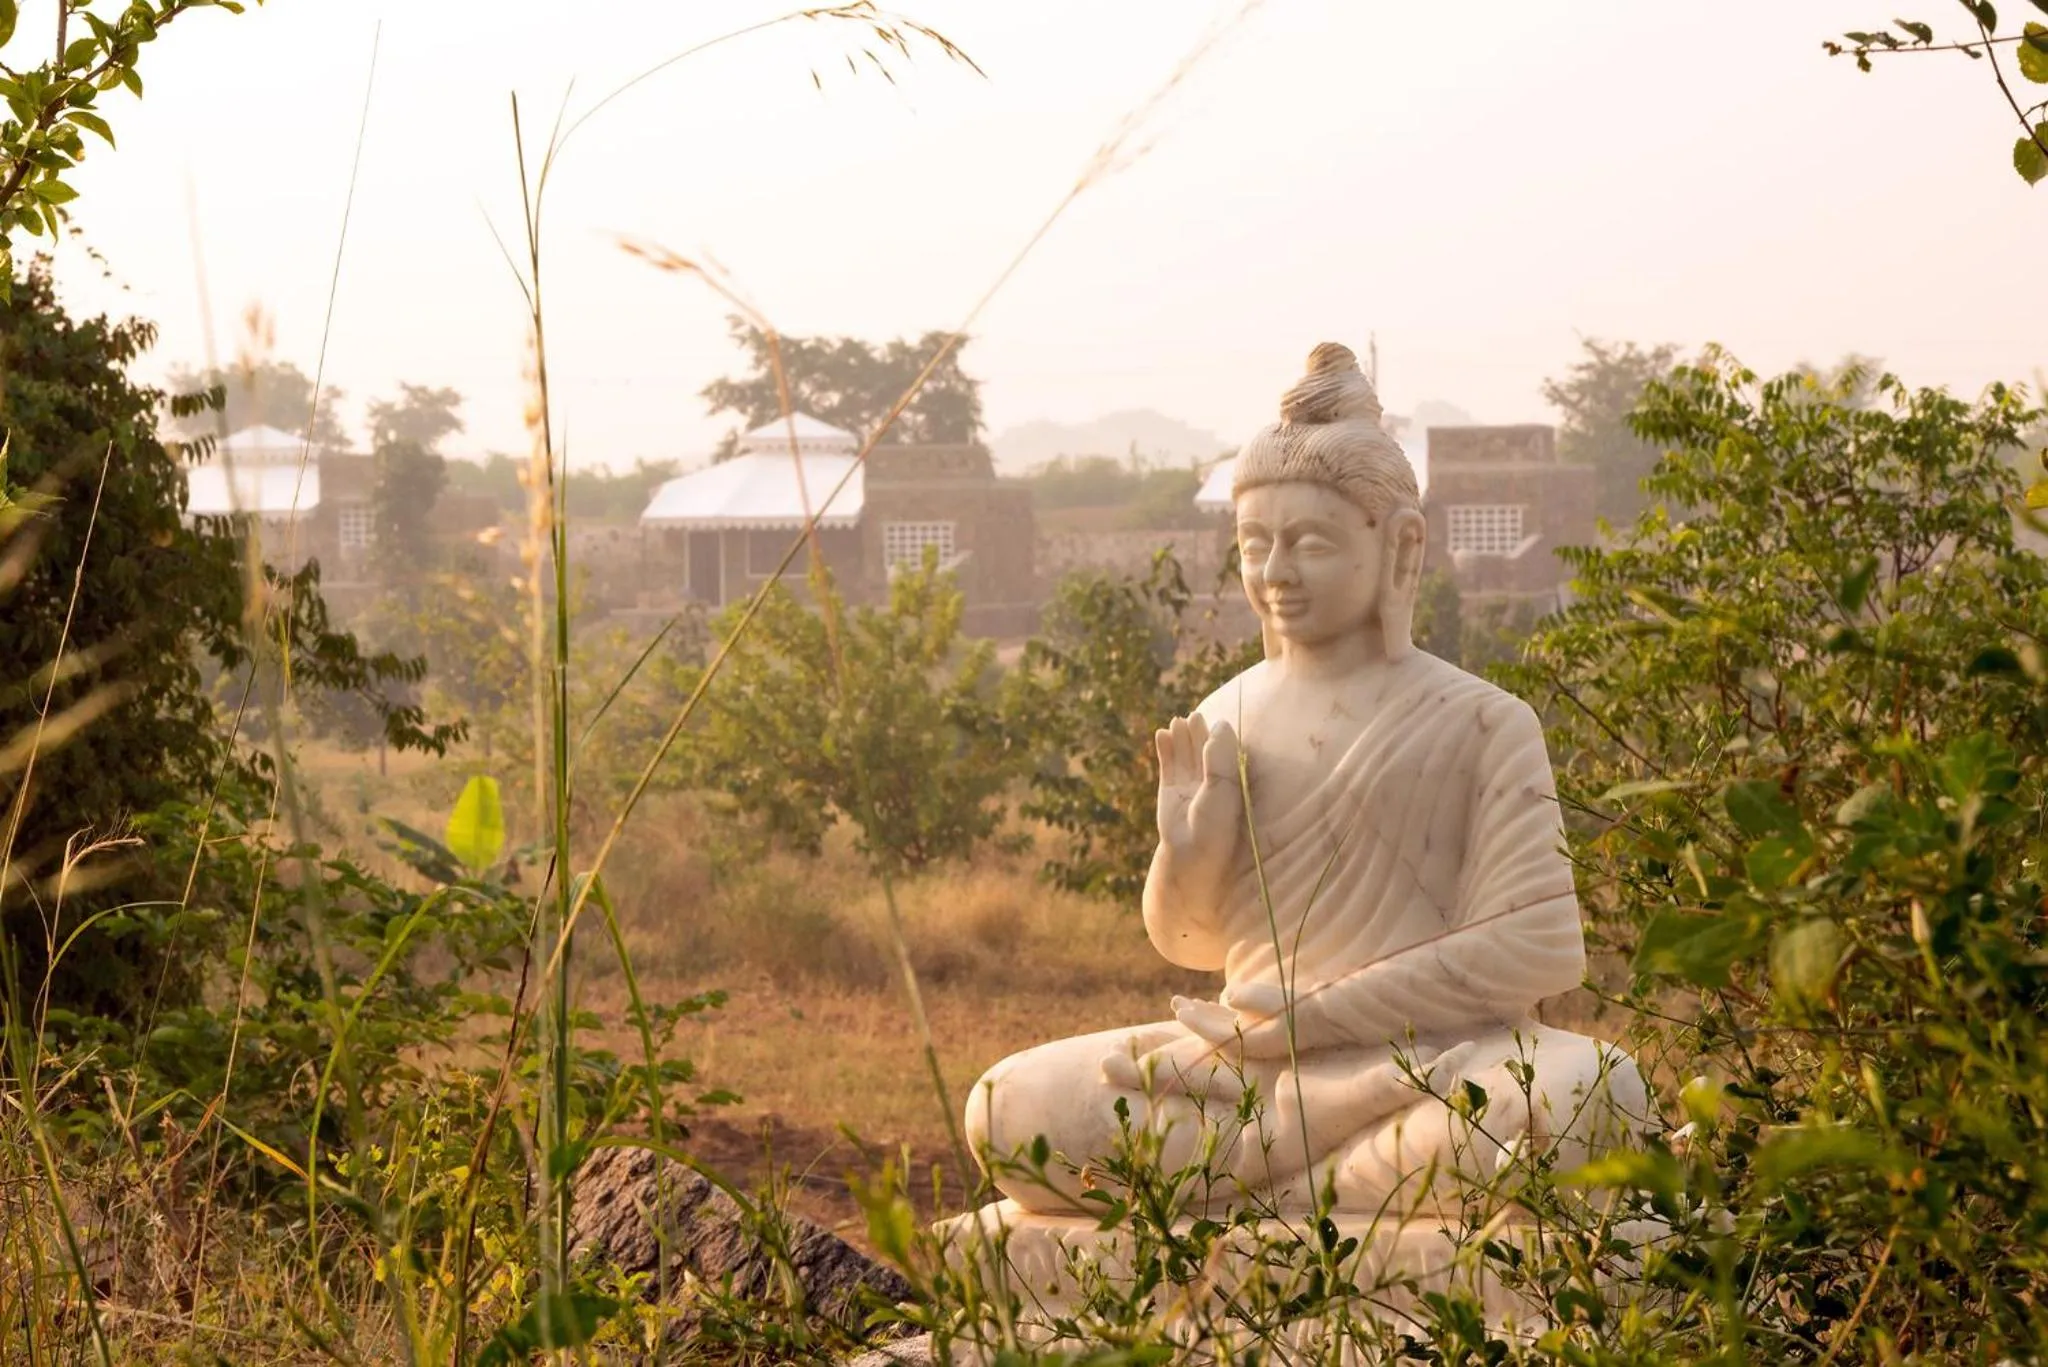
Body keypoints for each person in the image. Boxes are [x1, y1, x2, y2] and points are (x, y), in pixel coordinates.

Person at [964, 343, 1647, 1218]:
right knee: (1008, 1107)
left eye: (1310, 544)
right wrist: (1187, 856)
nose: (1275, 572)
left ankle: (1270, 1181)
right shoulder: (1227, 715)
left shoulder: (1482, 721)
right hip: (1240, 1074)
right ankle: (1321, 1171)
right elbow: (1189, 943)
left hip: (1433, 1060)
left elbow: (1538, 949)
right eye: (1255, 546)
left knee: (1587, 1097)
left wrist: (1309, 1022)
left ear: (1400, 546)